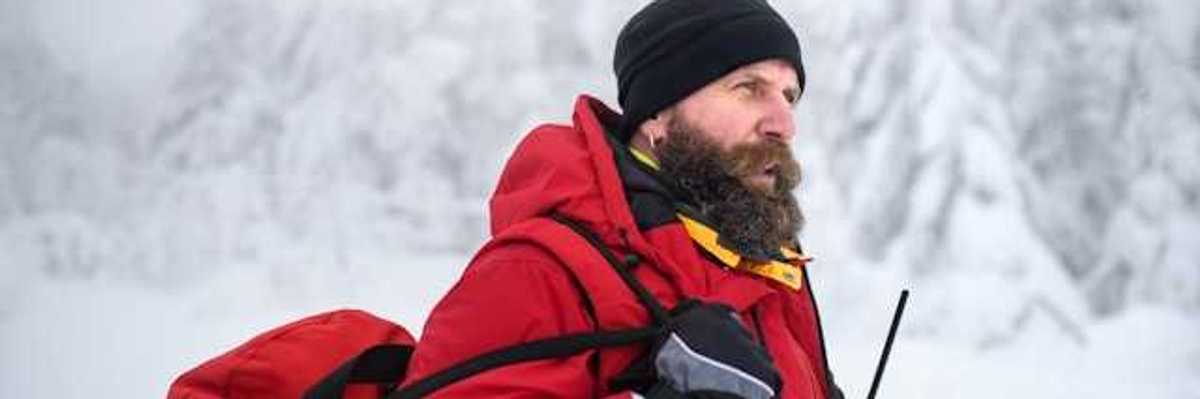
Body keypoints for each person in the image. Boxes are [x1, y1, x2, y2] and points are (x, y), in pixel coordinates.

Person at [401, 0, 843, 398]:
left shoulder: (770, 277)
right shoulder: (538, 270)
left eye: (790, 97)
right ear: (657, 113)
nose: (784, 124)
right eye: (749, 87)